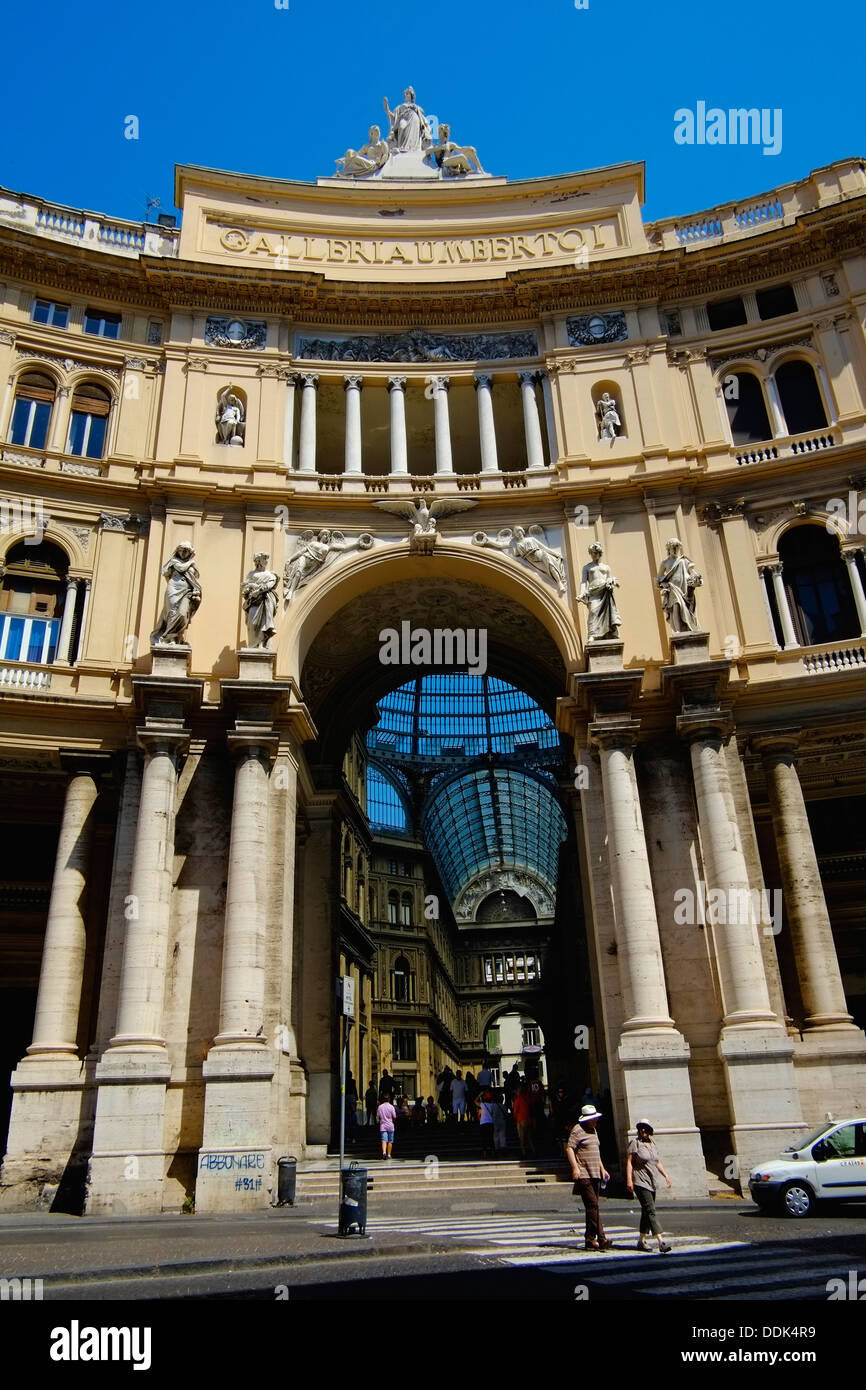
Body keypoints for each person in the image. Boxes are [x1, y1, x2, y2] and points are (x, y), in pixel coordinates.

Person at [565, 1102, 613, 1251]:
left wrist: (603, 1169)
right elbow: (569, 1148)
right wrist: (575, 1168)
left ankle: (591, 1239)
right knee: (593, 1205)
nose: (596, 1120)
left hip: (595, 1173)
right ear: (586, 1119)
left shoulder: (594, 1131)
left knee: (594, 1207)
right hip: (584, 1173)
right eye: (593, 1118)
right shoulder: (577, 1130)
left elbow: (596, 1152)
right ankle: (598, 1238)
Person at [626, 1119, 673, 1253]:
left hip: (652, 1182)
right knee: (651, 1210)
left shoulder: (652, 1144)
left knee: (646, 1212)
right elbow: (629, 1162)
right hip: (640, 1182)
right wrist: (629, 1180)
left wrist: (666, 1175)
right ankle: (661, 1241)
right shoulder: (635, 1143)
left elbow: (657, 1162)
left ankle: (641, 1241)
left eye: (645, 1128)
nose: (643, 1131)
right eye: (641, 1128)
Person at [512, 1080, 534, 1158]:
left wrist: (514, 1118)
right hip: (528, 1118)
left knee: (522, 1137)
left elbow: (515, 1111)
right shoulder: (526, 1098)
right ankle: (533, 1150)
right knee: (529, 1136)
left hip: (520, 1119)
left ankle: (524, 1152)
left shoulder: (517, 1099)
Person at [477, 1088, 496, 1158]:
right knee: (491, 1138)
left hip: (483, 1123)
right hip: (490, 1123)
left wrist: (480, 1095)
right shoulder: (492, 1105)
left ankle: (485, 1154)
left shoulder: (482, 1105)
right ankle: (493, 1153)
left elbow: (475, 1101)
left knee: (484, 1139)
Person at [491, 1088, 508, 1157]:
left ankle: (496, 1149)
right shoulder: (503, 1106)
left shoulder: (493, 1106)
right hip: (502, 1121)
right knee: (502, 1135)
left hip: (495, 1121)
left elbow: (491, 1113)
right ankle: (503, 1148)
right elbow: (506, 1114)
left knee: (495, 1136)